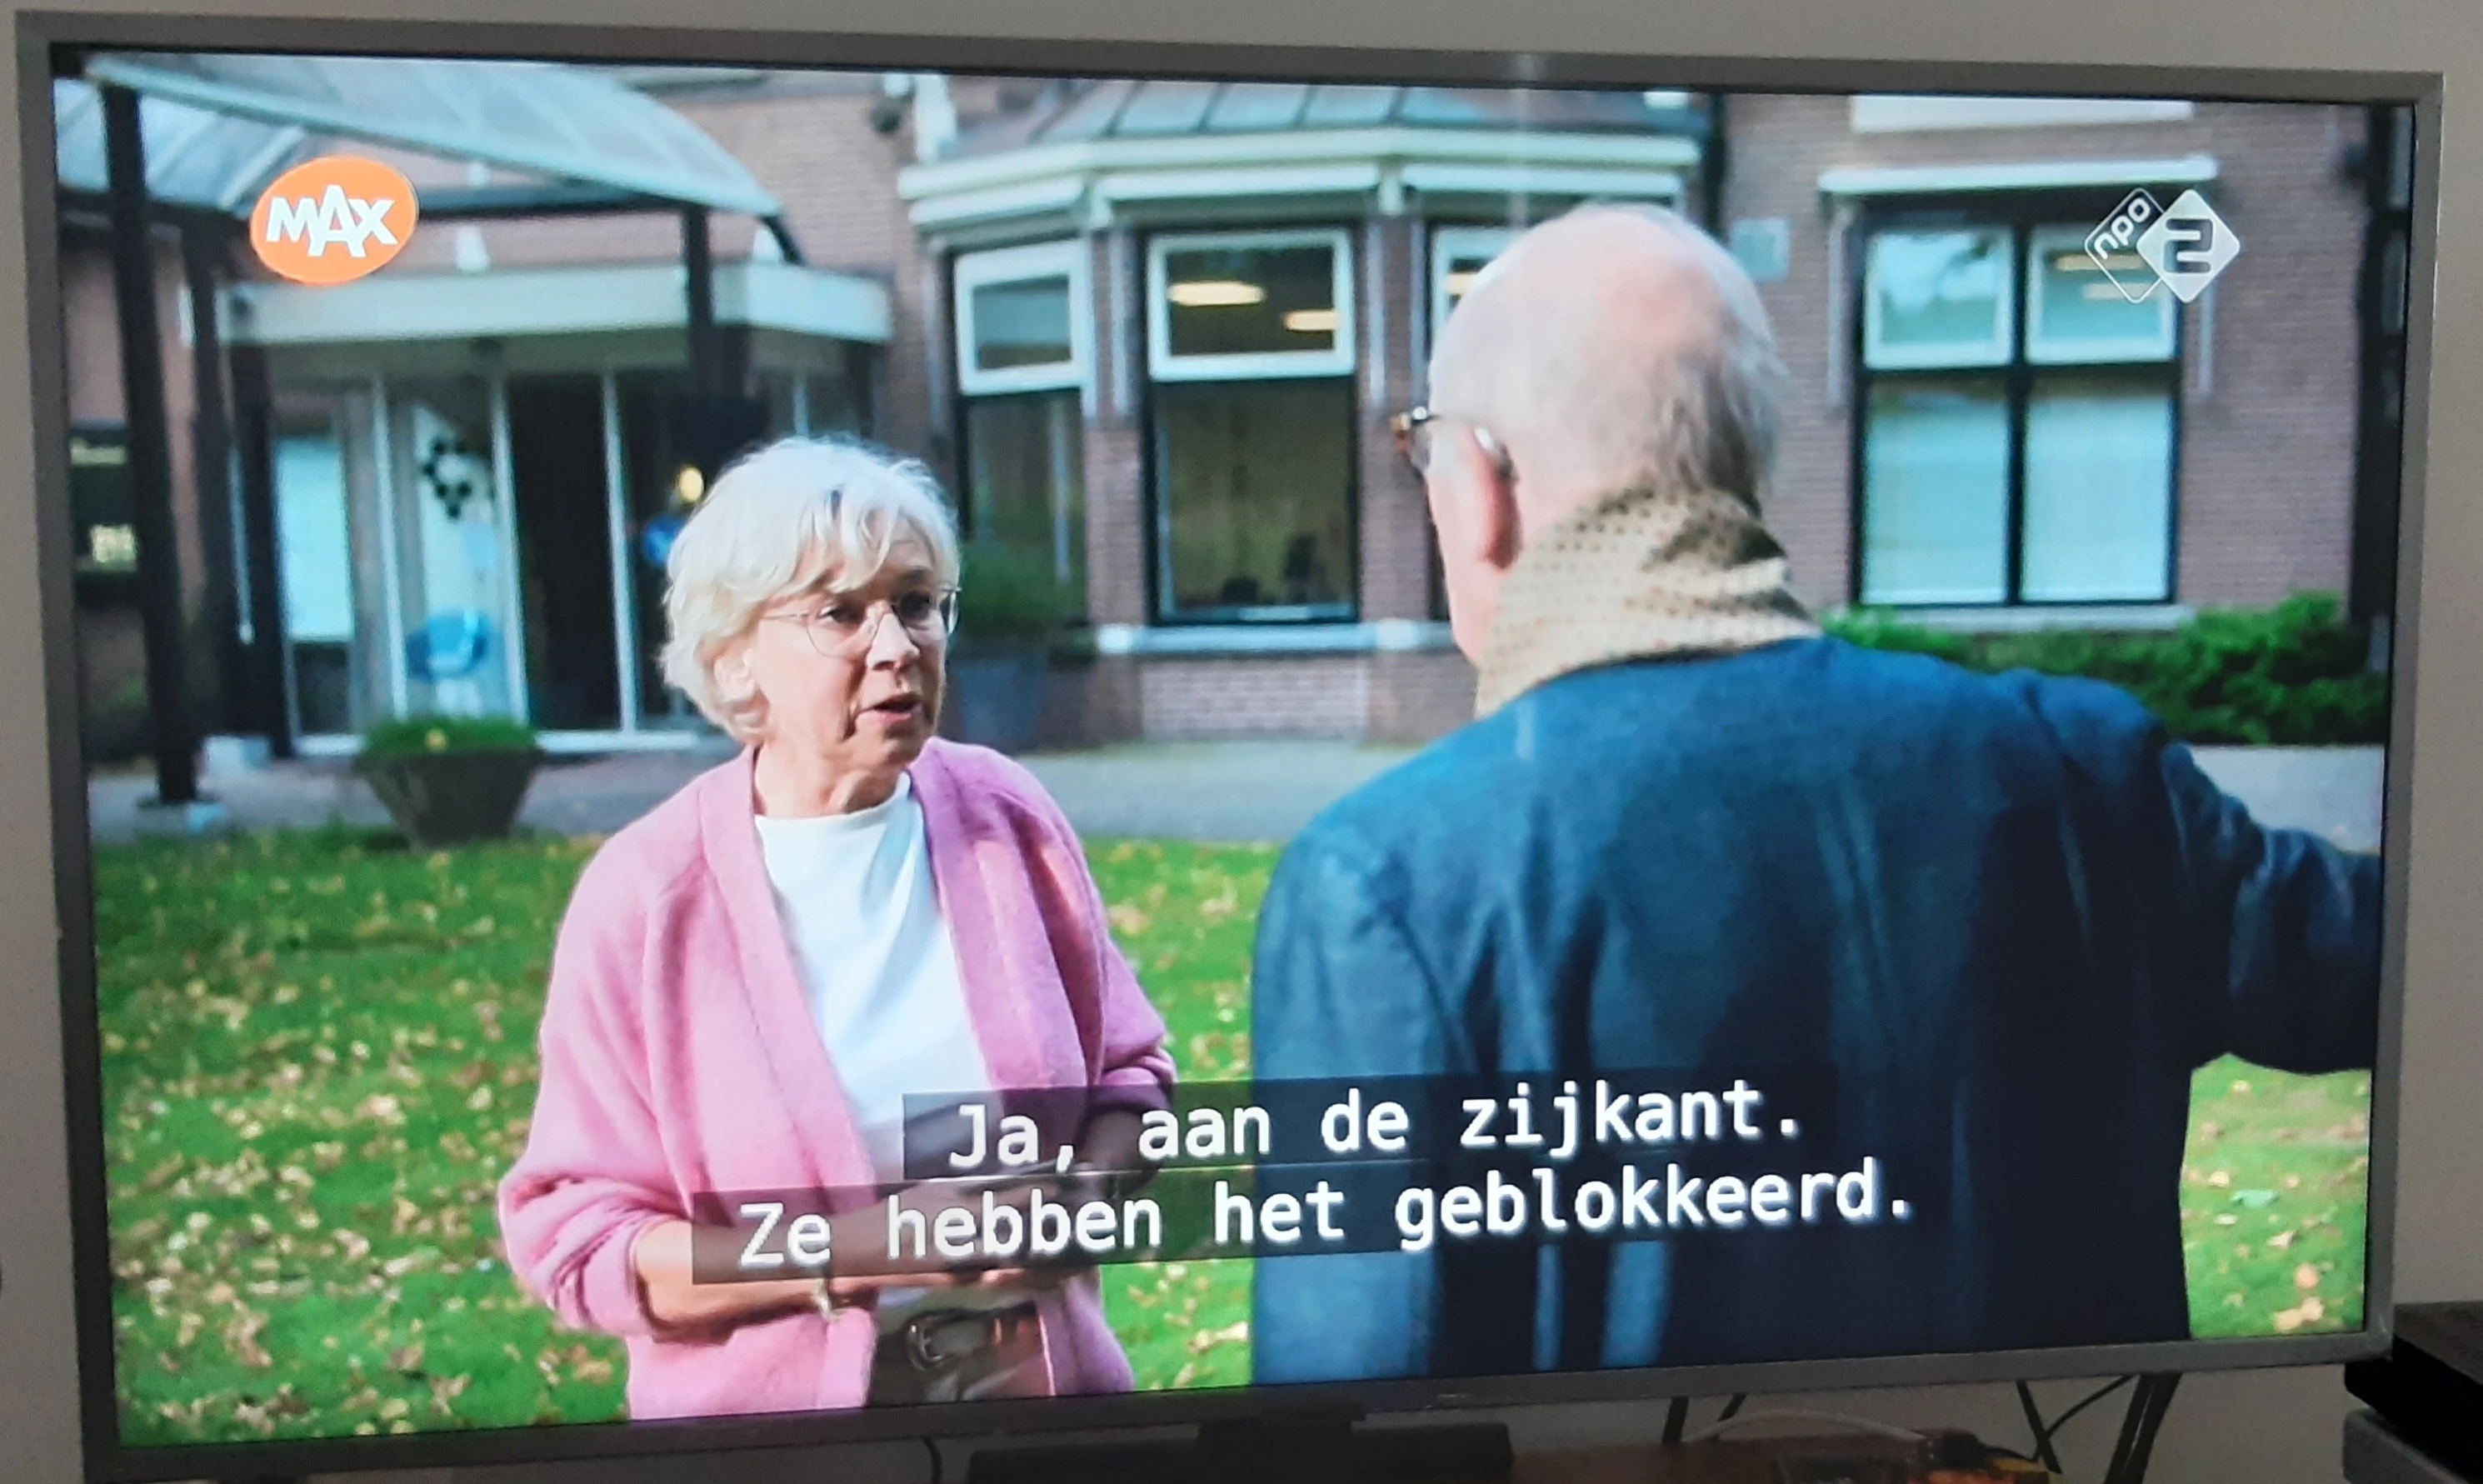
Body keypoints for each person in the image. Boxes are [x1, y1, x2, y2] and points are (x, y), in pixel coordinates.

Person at [1248, 206, 2380, 1382]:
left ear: (1481, 482)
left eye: (1422, 450)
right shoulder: (2087, 772)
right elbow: (2410, 965)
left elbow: (1345, 1408)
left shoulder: (1386, 886)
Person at [498, 438, 1174, 1418]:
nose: (896, 644)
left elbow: (1130, 1072)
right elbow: (582, 1242)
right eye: (841, 613)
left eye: (915, 601)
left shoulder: (1007, 818)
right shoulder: (648, 895)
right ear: (735, 655)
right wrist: (864, 1249)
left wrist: (1084, 1199)